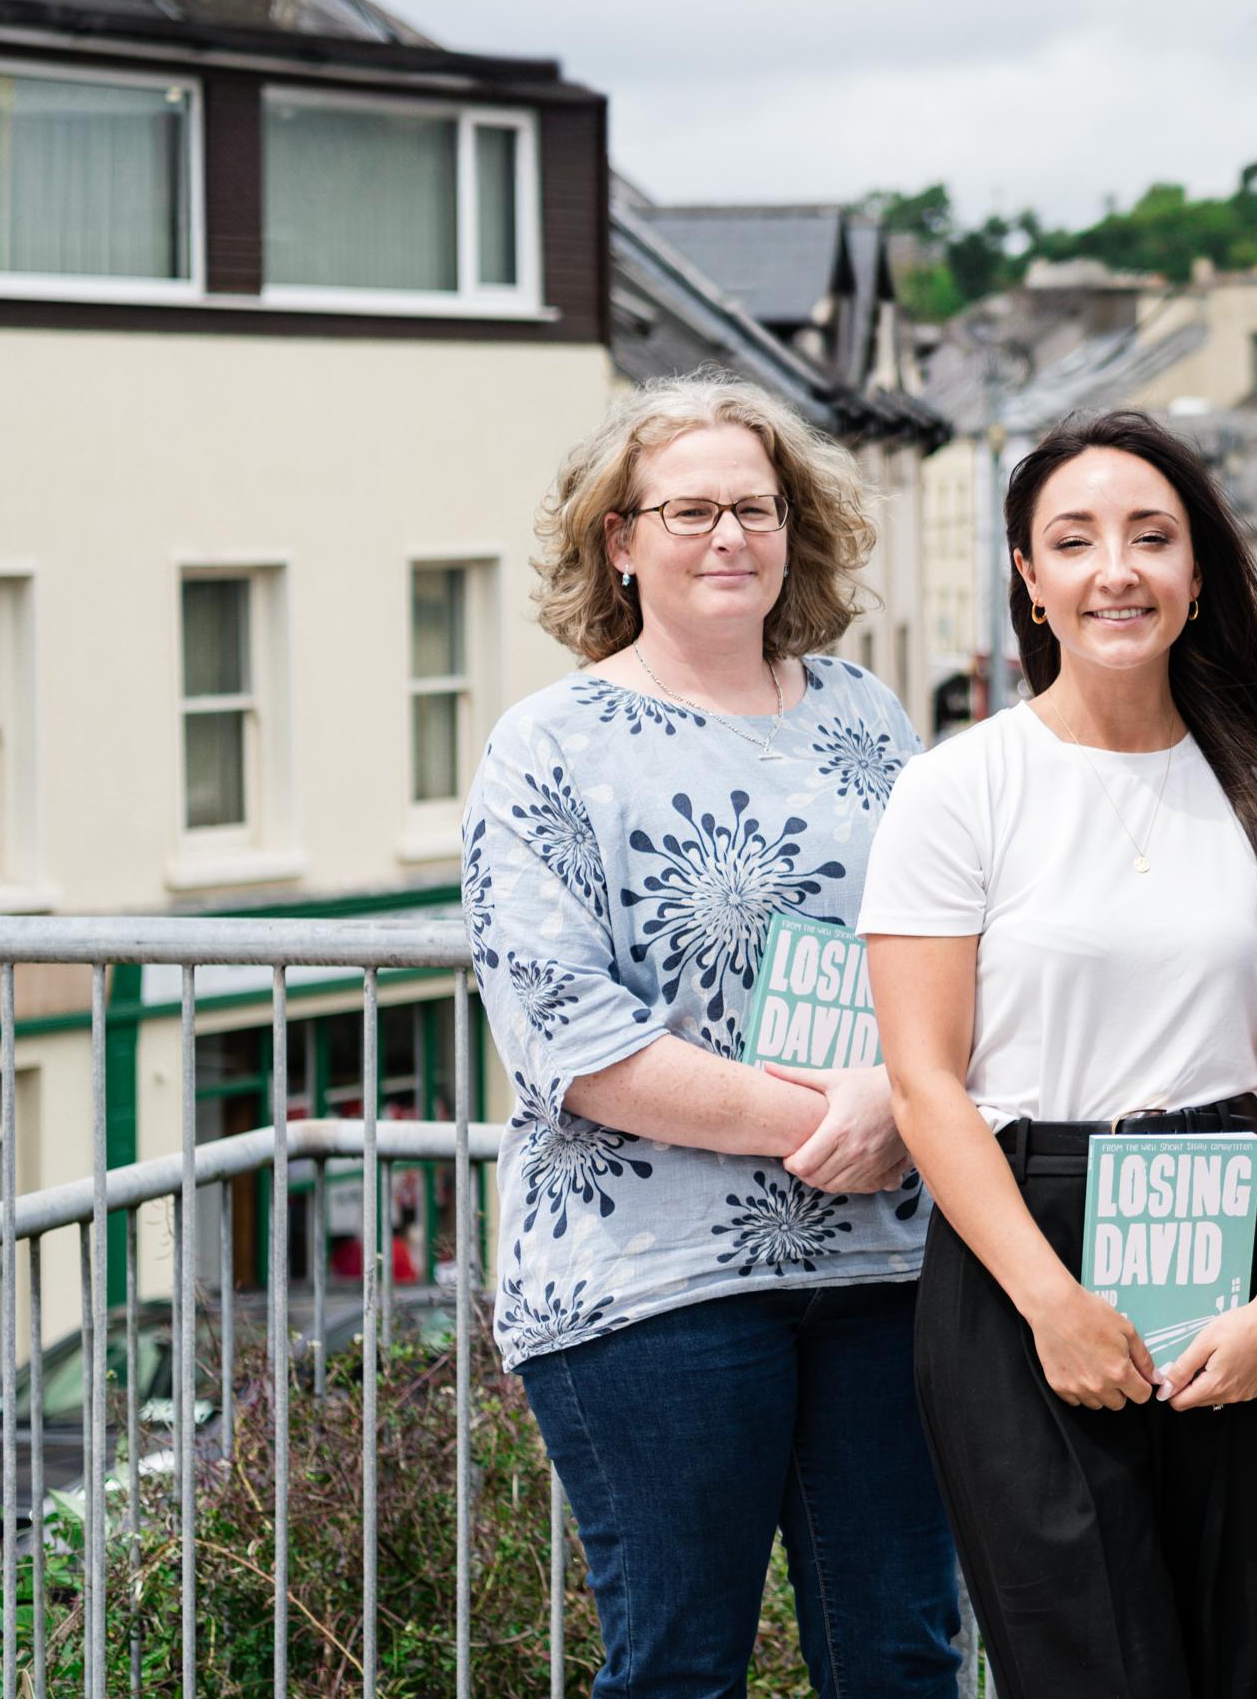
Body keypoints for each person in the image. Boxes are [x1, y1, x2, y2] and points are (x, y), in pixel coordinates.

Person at [464, 374, 957, 1698]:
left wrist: (905, 1102)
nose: (729, 534)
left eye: (756, 506)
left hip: (883, 1265)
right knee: (682, 1666)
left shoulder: (865, 712)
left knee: (905, 1656)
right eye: (690, 510)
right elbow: (570, 1035)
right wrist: (844, 1120)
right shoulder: (547, 747)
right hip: (651, 1280)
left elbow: (944, 947)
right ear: (618, 541)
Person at [863, 410, 1257, 1699]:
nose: (1113, 570)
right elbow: (925, 1083)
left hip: (1229, 1242)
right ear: (1029, 578)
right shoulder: (956, 790)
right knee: (1091, 1659)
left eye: (1151, 537)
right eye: (1072, 541)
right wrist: (1051, 1303)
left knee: (1228, 1657)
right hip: (1026, 1243)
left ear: (1198, 577)